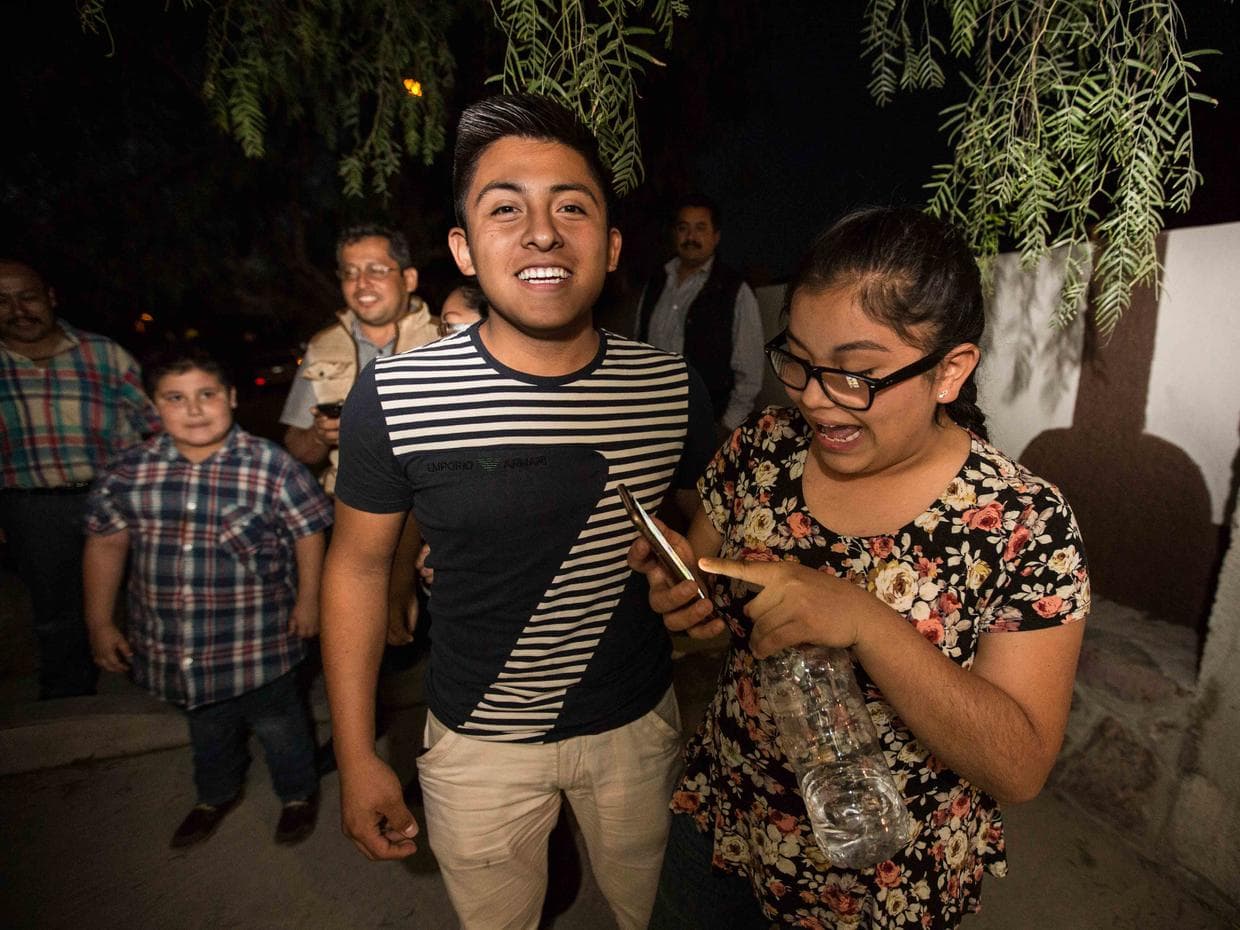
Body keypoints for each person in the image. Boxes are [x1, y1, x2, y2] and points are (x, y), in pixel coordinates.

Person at [628, 207, 1090, 928]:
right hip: (725, 824)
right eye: (801, 362)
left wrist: (867, 623)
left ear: (949, 372)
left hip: (882, 885)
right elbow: (713, 589)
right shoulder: (764, 448)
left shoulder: (1024, 522)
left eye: (855, 374)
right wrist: (685, 593)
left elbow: (1020, 764)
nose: (813, 397)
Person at [320, 93, 715, 930]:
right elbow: (355, 567)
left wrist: (700, 575)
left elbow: (703, 517)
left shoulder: (671, 388)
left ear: (609, 247)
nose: (541, 231)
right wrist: (356, 755)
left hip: (638, 727)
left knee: (660, 912)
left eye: (571, 206)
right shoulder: (393, 395)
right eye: (506, 208)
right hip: (478, 746)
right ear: (464, 248)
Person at [82, 349, 333, 848]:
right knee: (207, 728)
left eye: (207, 395)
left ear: (232, 398)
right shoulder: (128, 472)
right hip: (180, 648)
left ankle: (297, 794)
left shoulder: (271, 466)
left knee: (281, 725)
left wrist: (310, 601)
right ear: (154, 406)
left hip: (261, 642)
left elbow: (309, 534)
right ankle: (214, 794)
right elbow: (106, 543)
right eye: (175, 398)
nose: (194, 409)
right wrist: (99, 622)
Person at [0, 259, 159, 699]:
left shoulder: (103, 353)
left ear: (50, 297)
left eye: (27, 296)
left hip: (116, 499)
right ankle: (68, 700)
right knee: (54, 612)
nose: (18, 309)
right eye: (2, 301)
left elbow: (155, 421)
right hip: (31, 506)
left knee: (148, 595)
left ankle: (159, 688)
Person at [280, 223, 439, 495]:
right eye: (350, 273)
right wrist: (320, 436)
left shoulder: (445, 337)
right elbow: (296, 446)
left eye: (376, 270)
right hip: (348, 504)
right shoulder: (322, 346)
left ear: (408, 279)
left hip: (435, 501)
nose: (361, 283)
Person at [635, 195, 765, 432]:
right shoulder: (655, 283)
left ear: (716, 236)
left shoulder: (734, 289)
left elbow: (750, 372)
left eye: (700, 228)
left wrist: (726, 427)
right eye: (683, 228)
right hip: (652, 420)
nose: (691, 237)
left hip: (706, 425)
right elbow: (638, 348)